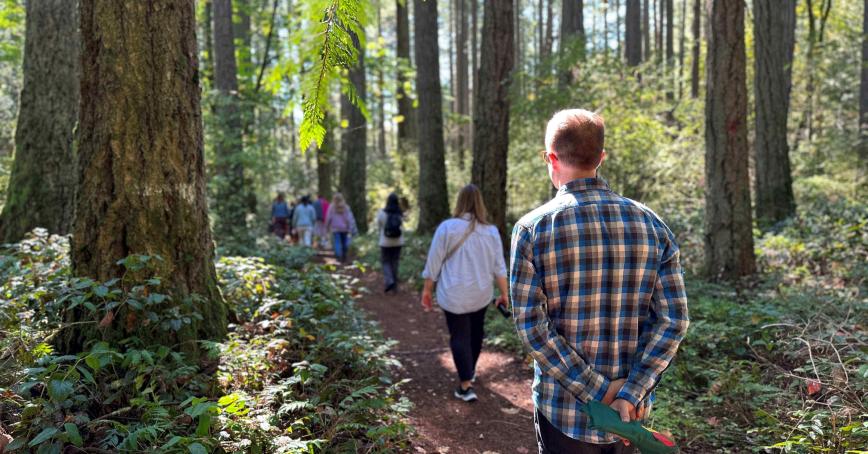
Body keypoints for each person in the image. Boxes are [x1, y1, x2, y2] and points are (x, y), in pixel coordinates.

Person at [509, 109, 689, 453]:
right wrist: (629, 392)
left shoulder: (533, 229)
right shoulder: (652, 225)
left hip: (563, 409)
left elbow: (532, 327)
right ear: (601, 158)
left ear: (551, 157)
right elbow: (673, 320)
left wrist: (598, 392)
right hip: (628, 415)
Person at [420, 184, 508, 403]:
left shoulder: (447, 228)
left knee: (459, 335)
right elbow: (499, 266)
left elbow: (434, 262)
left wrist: (427, 290)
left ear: (459, 202)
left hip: (453, 294)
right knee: (476, 334)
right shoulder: (491, 231)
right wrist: (504, 293)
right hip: (481, 293)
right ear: (480, 203)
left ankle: (465, 385)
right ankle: (469, 371)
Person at [375, 193, 404, 292]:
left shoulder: (382, 213)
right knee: (395, 262)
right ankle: (395, 285)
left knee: (385, 261)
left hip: (385, 242)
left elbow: (379, 226)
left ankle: (389, 280)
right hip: (398, 241)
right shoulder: (399, 213)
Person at [326, 192, 356, 263]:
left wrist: (327, 226)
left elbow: (328, 217)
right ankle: (344, 254)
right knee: (344, 241)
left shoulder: (331, 207)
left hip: (335, 228)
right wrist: (350, 226)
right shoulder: (346, 207)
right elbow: (349, 218)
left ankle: (338, 256)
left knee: (337, 242)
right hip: (345, 228)